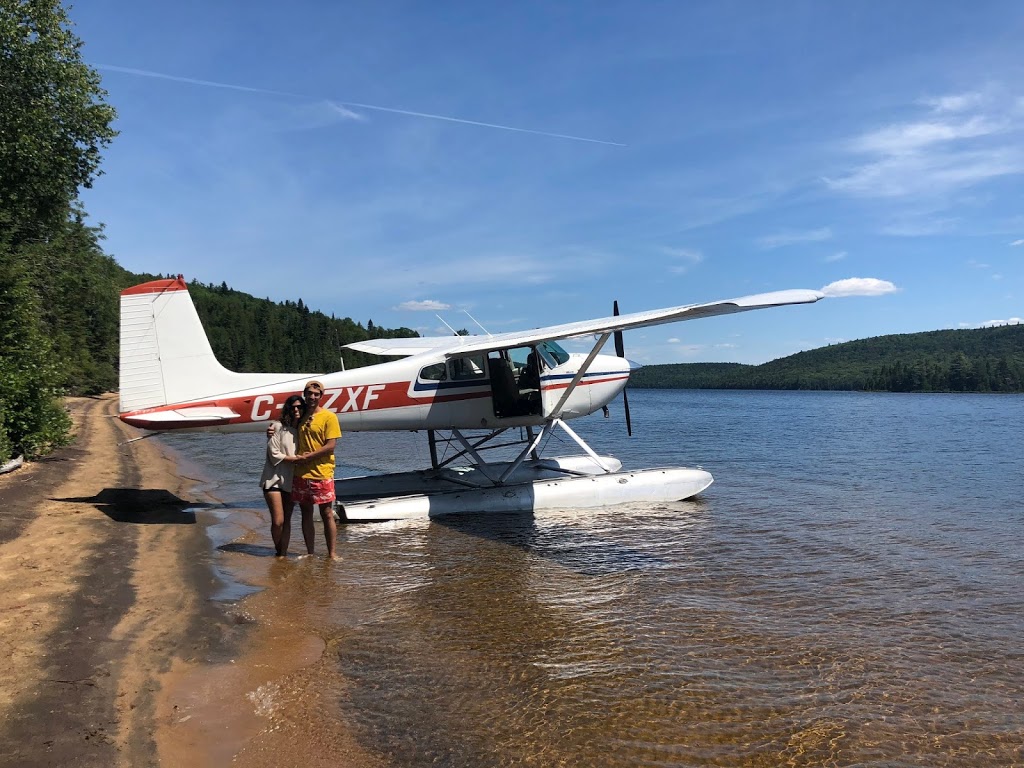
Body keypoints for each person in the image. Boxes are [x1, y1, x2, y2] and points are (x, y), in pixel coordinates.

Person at [292, 379, 342, 559]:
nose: (312, 397)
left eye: (316, 394)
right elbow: (285, 428)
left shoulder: (329, 417)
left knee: (327, 513)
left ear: (321, 396)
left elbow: (330, 445)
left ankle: (332, 553)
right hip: (301, 473)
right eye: (309, 394)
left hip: (322, 472)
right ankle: (310, 553)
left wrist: (307, 457)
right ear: (304, 394)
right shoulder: (300, 415)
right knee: (306, 513)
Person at [259, 394, 304, 556]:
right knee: (278, 521)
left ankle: (282, 555)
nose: (296, 410)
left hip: (291, 481)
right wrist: (294, 459)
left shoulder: (303, 430)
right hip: (273, 480)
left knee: (287, 522)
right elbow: (273, 454)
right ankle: (278, 551)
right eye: (293, 407)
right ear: (288, 409)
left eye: (299, 407)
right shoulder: (277, 427)